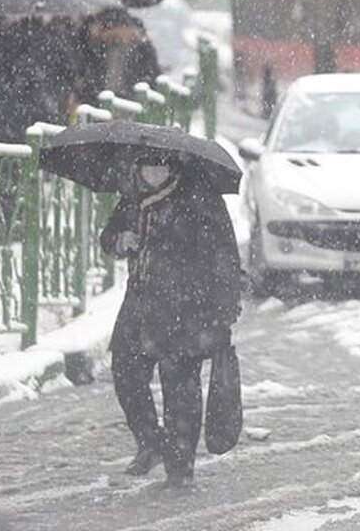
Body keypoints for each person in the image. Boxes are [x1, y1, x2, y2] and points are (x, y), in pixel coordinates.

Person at [100, 155, 242, 487]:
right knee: (126, 372)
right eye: (147, 168)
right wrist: (120, 240)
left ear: (173, 167)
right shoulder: (133, 198)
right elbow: (109, 236)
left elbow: (224, 251)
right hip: (139, 304)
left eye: (160, 167)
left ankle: (180, 465)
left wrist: (224, 304)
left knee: (180, 386)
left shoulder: (199, 198)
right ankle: (151, 442)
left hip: (186, 309)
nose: (153, 174)